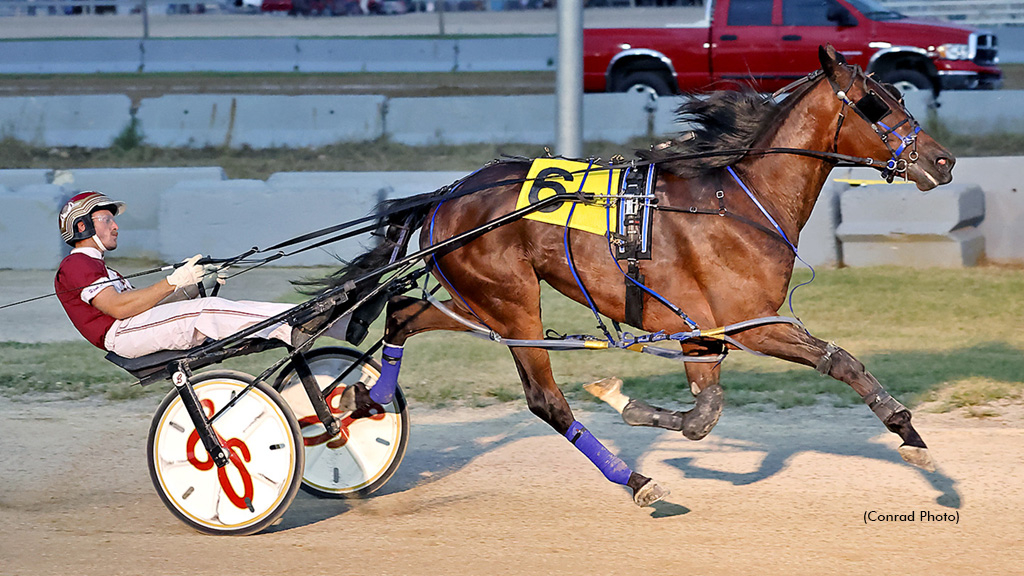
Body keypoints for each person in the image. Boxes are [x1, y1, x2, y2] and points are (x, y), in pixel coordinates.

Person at [54, 191, 348, 359]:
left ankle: (332, 323)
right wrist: (173, 281)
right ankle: (294, 326)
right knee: (208, 311)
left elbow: (150, 306)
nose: (115, 227)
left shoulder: (102, 267)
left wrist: (194, 284)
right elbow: (118, 308)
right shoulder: (76, 265)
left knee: (212, 306)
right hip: (121, 335)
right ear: (81, 227)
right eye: (106, 220)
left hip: (133, 328)